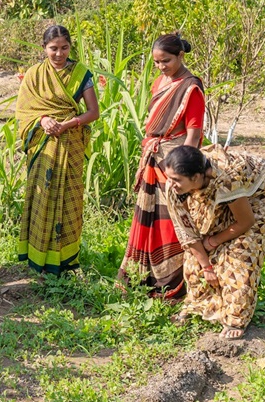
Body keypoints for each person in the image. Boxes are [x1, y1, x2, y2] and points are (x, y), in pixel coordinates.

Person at [164, 144, 265, 340]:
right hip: (224, 192)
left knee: (241, 252)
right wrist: (206, 267)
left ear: (195, 177)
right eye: (169, 178)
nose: (171, 183)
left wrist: (214, 241)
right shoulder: (174, 186)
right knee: (196, 256)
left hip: (262, 191)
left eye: (176, 180)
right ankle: (199, 305)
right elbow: (187, 233)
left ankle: (235, 319)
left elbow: (246, 221)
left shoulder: (226, 180)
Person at [118, 33, 205, 295]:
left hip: (173, 162)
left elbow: (193, 133)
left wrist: (182, 170)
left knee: (172, 221)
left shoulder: (191, 88)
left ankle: (172, 281)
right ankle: (142, 276)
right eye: (156, 62)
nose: (161, 67)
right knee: (150, 218)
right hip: (154, 160)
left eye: (166, 61)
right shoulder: (160, 82)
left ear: (181, 56)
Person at [16, 24, 100, 274]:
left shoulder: (81, 73)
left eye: (64, 48)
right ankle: (38, 257)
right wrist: (43, 120)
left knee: (69, 198)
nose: (59, 54)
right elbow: (23, 111)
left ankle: (66, 260)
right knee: (43, 195)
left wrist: (68, 124)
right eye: (53, 48)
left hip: (70, 143)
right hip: (43, 145)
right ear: (44, 48)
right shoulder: (34, 75)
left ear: (70, 47)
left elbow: (93, 112)